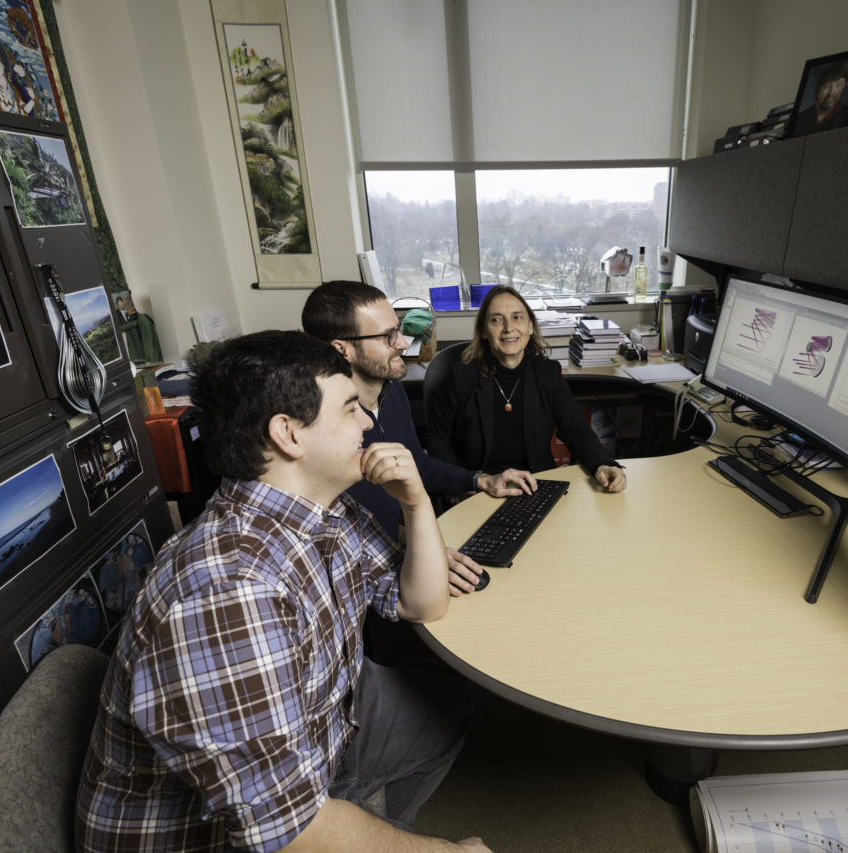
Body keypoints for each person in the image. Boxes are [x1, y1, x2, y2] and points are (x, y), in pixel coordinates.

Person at [76, 331, 488, 852]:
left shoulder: (328, 509)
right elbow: (289, 832)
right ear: (288, 434)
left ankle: (357, 816)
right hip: (209, 841)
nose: (368, 421)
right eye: (350, 409)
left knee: (449, 707)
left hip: (318, 736)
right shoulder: (229, 592)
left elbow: (419, 602)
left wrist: (416, 501)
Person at [302, 280, 535, 596]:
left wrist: (481, 480)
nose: (402, 343)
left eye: (398, 329)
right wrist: (411, 557)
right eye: (388, 336)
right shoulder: (323, 428)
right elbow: (332, 536)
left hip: (391, 554)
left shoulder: (391, 390)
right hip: (358, 582)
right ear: (342, 349)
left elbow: (417, 464)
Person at [426, 285, 627, 493]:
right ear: (484, 331)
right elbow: (437, 438)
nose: (508, 328)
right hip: (481, 491)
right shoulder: (461, 378)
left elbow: (576, 430)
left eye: (517, 317)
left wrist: (603, 464)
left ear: (530, 326)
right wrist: (462, 483)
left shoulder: (547, 373)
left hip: (537, 486)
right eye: (496, 319)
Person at [789, 61, 848, 136]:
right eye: (826, 86)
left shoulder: (847, 115)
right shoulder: (799, 119)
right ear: (817, 89)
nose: (831, 93)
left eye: (838, 85)